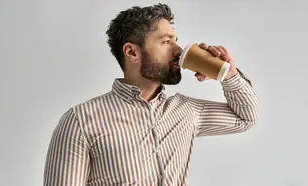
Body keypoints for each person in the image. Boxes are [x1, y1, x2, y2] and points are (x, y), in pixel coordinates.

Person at [43, 3, 258, 186]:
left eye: (175, 40)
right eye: (166, 42)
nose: (179, 50)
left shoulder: (187, 111)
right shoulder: (80, 121)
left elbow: (245, 117)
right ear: (132, 52)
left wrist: (229, 75)